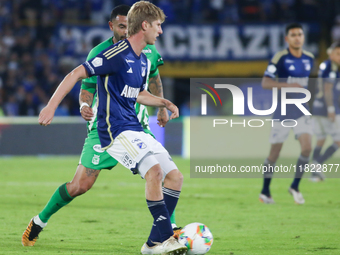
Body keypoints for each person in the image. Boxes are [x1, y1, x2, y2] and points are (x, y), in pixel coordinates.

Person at [23, 2, 187, 254]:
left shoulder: (145, 57)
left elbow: (143, 88)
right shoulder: (109, 54)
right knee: (81, 186)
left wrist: (163, 103)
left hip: (137, 126)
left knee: (172, 175)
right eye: (158, 26)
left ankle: (163, 234)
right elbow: (79, 79)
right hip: (111, 129)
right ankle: (39, 221)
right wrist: (53, 106)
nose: (161, 31)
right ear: (140, 25)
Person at [259, 23, 314, 205]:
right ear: (287, 39)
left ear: (303, 37)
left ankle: (295, 186)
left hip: (301, 109)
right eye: (293, 35)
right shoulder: (280, 57)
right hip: (282, 111)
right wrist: (288, 86)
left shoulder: (309, 58)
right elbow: (266, 83)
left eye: (300, 34)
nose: (297, 37)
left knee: (307, 148)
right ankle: (265, 191)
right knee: (275, 153)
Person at [310, 42, 340, 182]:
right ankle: (317, 164)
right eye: (338, 54)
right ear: (331, 52)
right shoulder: (331, 66)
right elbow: (328, 88)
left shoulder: (324, 65)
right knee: (338, 141)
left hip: (317, 107)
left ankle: (314, 175)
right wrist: (331, 108)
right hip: (326, 109)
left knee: (321, 139)